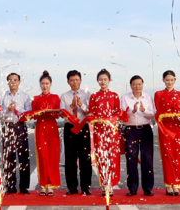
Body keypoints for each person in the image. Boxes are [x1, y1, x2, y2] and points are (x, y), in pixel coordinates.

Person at [154, 70, 180, 196]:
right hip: (164, 128)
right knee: (167, 156)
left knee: (178, 155)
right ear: (163, 80)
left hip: (176, 128)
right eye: (167, 80)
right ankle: (169, 184)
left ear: (175, 80)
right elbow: (158, 111)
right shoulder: (158, 94)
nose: (169, 82)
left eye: (171, 80)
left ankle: (177, 184)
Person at [26, 71, 63, 196]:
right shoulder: (36, 99)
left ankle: (51, 185)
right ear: (40, 85)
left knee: (52, 156)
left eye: (47, 83)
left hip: (52, 128)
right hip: (40, 127)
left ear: (51, 84)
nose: (45, 86)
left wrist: (52, 112)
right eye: (43, 83)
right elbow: (32, 115)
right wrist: (38, 113)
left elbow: (58, 114)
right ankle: (43, 185)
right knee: (42, 156)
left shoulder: (55, 97)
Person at [87, 68, 122, 196]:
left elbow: (117, 113)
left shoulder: (114, 96)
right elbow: (91, 113)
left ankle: (111, 184)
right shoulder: (94, 96)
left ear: (109, 80)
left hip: (111, 130)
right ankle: (104, 184)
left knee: (112, 157)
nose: (103, 82)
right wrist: (96, 119)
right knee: (101, 156)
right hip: (99, 130)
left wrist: (110, 120)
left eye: (105, 79)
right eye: (100, 79)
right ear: (97, 80)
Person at [0, 72, 32, 194]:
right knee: (8, 157)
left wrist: (17, 109)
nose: (13, 82)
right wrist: (7, 110)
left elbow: (29, 113)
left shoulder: (25, 96)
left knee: (23, 157)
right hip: (7, 127)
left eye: (15, 80)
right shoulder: (2, 96)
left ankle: (24, 186)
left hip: (20, 126)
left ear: (19, 82)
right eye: (10, 80)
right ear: (7, 82)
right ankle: (10, 185)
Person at [120, 75, 155, 197]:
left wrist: (143, 110)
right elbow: (122, 115)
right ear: (131, 85)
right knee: (131, 159)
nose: (137, 86)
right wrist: (133, 111)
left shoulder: (148, 97)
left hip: (145, 129)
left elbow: (152, 114)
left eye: (139, 84)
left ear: (142, 85)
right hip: (131, 130)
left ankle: (148, 188)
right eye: (134, 84)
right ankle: (132, 188)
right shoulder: (125, 98)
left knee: (147, 159)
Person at [60, 70, 92, 195]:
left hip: (83, 127)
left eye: (77, 80)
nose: (74, 82)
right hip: (70, 128)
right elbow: (63, 114)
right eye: (72, 80)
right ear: (68, 82)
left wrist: (81, 105)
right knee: (70, 158)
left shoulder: (87, 94)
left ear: (80, 80)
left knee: (85, 157)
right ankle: (72, 187)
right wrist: (72, 106)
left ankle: (85, 187)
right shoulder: (64, 96)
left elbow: (90, 112)